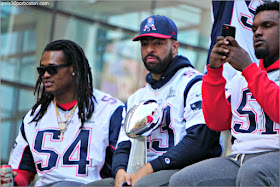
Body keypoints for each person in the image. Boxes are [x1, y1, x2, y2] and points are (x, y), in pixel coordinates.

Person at [87, 15, 222, 187]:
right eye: (145, 44)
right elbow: (123, 146)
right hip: (147, 171)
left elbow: (200, 142)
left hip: (186, 170)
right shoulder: (137, 97)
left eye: (158, 43)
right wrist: (120, 170)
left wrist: (150, 168)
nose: (150, 49)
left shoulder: (194, 83)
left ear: (174, 47)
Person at [169, 1, 279, 186]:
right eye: (254, 29)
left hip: (274, 156)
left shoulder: (247, 72)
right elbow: (217, 122)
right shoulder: (241, 78)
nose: (258, 32)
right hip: (239, 158)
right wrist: (214, 71)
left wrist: (247, 68)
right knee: (183, 180)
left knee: (252, 173)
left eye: (267, 26)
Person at [0, 39, 124, 186]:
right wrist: (11, 181)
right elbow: (22, 171)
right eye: (42, 70)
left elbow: (121, 163)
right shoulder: (34, 117)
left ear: (74, 69)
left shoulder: (110, 109)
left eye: (52, 69)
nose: (45, 75)